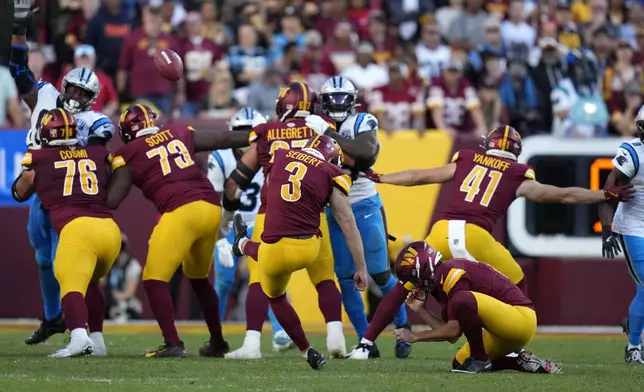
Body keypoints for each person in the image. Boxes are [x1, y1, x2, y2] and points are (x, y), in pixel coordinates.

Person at [348, 125, 635, 358]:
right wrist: (603, 195)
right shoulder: (516, 174)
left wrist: (382, 177)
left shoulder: (467, 159)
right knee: (515, 285)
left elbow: (419, 176)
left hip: (443, 230)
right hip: (476, 235)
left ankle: (365, 343)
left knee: (405, 284)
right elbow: (562, 195)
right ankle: (509, 346)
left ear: (490, 145)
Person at [8, 0, 115, 346]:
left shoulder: (94, 121)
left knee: (62, 262)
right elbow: (18, 68)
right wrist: (20, 28)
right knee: (43, 259)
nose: (73, 97)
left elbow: (99, 151)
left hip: (69, 195)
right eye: (71, 89)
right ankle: (54, 318)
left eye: (82, 94)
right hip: (40, 187)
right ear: (63, 85)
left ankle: (83, 329)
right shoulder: (45, 95)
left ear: (92, 98)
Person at [105, 104, 250, 358]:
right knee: (200, 280)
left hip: (181, 211)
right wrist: (263, 134)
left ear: (127, 131)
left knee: (153, 280)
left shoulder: (126, 153)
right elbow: (224, 138)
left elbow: (114, 199)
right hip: (209, 209)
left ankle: (172, 344)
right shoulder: (178, 132)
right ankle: (217, 342)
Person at [222, 82, 342, 360]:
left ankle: (252, 343)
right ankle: (336, 339)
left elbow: (237, 180)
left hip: (272, 212)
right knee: (324, 278)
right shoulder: (321, 126)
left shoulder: (267, 131)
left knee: (259, 278)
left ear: (282, 105)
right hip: (313, 213)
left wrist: (228, 214)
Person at [230, 135, 368, 370]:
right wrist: (361, 267)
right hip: (307, 248)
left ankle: (306, 349)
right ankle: (243, 244)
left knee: (275, 295)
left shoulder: (281, 155)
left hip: (273, 249)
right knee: (323, 275)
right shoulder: (332, 172)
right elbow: (347, 221)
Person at [308, 76, 411, 359]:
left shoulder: (362, 121)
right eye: (333, 99)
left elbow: (366, 153)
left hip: (363, 201)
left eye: (343, 98)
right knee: (345, 275)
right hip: (333, 204)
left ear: (353, 101)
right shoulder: (314, 123)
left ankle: (405, 329)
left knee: (379, 272)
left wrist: (329, 136)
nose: (338, 105)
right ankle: (365, 338)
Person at [12, 108, 121, 358]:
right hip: (109, 230)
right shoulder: (98, 152)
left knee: (69, 282)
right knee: (91, 283)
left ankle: (78, 337)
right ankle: (97, 339)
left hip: (77, 229)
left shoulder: (38, 159)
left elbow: (20, 192)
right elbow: (116, 173)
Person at [390, 241, 562, 374]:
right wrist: (421, 310)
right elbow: (451, 334)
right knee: (460, 362)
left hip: (520, 319)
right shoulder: (442, 280)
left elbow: (452, 330)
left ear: (423, 271)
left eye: (414, 280)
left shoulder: (451, 274)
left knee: (462, 299)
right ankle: (518, 361)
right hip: (499, 331)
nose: (414, 285)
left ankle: (480, 360)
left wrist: (415, 336)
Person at [208, 107, 293, 351]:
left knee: (266, 275)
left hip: (262, 221)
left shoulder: (271, 152)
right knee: (223, 281)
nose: (246, 137)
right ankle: (216, 334)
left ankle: (279, 331)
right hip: (230, 223)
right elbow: (216, 199)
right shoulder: (221, 155)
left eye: (250, 132)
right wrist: (221, 236)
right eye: (240, 132)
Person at [600, 106, 644, 364]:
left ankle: (633, 339)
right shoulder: (633, 154)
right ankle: (634, 346)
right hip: (634, 227)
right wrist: (606, 231)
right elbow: (608, 192)